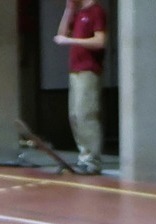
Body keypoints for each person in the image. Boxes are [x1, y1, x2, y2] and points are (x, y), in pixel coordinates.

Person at [53, 2, 107, 175]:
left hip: (88, 69)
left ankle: (92, 160)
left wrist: (71, 41)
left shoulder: (96, 11)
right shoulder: (78, 12)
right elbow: (61, 34)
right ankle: (84, 156)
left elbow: (100, 41)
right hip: (75, 69)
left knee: (86, 114)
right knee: (75, 115)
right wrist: (68, 9)